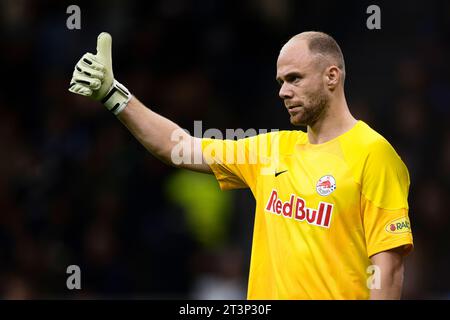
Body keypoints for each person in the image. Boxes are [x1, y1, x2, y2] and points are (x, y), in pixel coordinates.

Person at [68, 31, 414, 299]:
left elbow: (388, 266)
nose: (283, 92)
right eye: (280, 82)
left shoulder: (373, 153)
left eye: (294, 79)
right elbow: (177, 147)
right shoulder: (271, 151)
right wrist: (114, 95)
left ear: (332, 76)